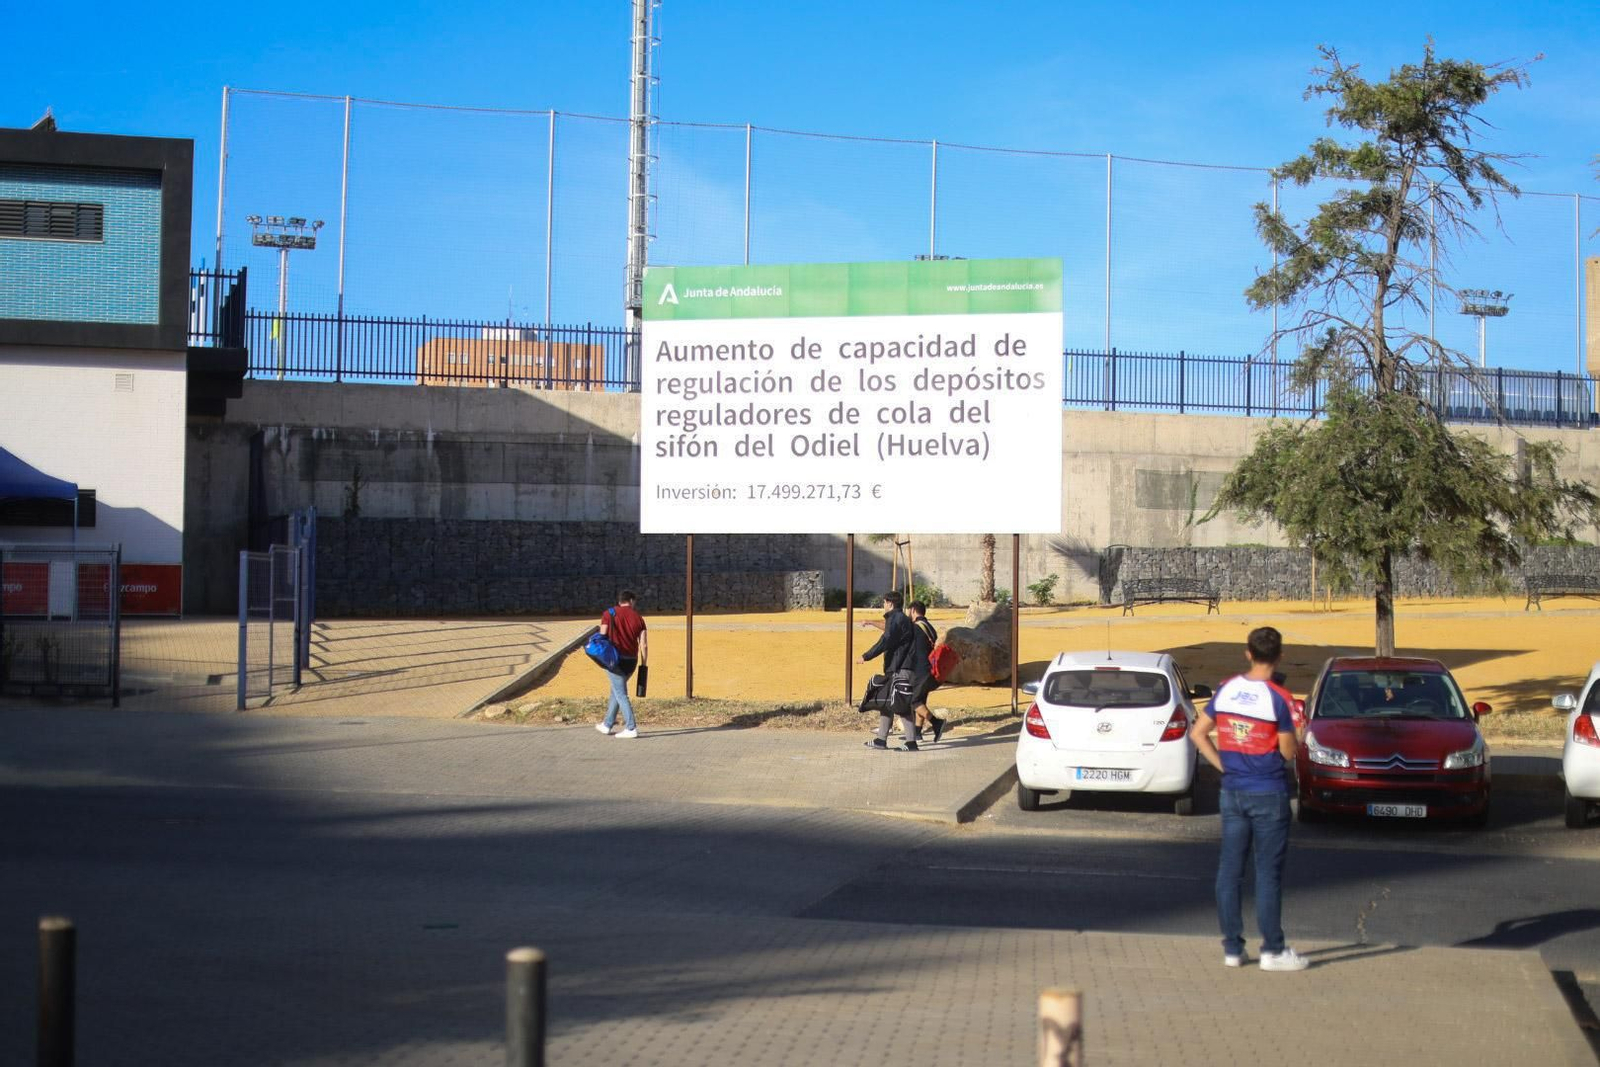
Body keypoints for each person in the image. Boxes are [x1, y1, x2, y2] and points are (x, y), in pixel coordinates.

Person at [1189, 626, 1308, 972]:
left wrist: (1223, 764)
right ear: (1279, 656)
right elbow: (1287, 751)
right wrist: (1295, 735)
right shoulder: (1279, 698)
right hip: (1268, 791)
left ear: (1248, 653)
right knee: (1267, 874)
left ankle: (1232, 948)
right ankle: (1272, 949)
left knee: (1230, 871)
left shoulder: (1227, 689)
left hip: (1234, 790)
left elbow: (1199, 732)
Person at [859, 591, 919, 752]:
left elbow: (886, 640)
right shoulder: (900, 619)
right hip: (896, 667)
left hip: (901, 668)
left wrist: (867, 655)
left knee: (901, 704)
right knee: (887, 702)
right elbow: (888, 632)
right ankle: (881, 740)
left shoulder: (896, 619)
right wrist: (871, 622)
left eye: (884, 603)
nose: (883, 606)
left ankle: (911, 742)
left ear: (890, 603)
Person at [594, 590, 648, 739]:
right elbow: (643, 645)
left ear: (620, 601)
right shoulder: (639, 618)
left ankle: (631, 727)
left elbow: (602, 635)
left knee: (621, 693)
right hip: (631, 661)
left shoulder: (608, 614)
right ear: (631, 601)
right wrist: (644, 663)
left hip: (614, 660)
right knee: (616, 691)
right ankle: (607, 724)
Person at [906, 601, 948, 743]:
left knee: (913, 701)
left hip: (921, 671)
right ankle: (917, 734)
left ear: (913, 611)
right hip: (931, 670)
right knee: (921, 700)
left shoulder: (915, 627)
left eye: (908, 611)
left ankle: (936, 723)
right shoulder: (929, 627)